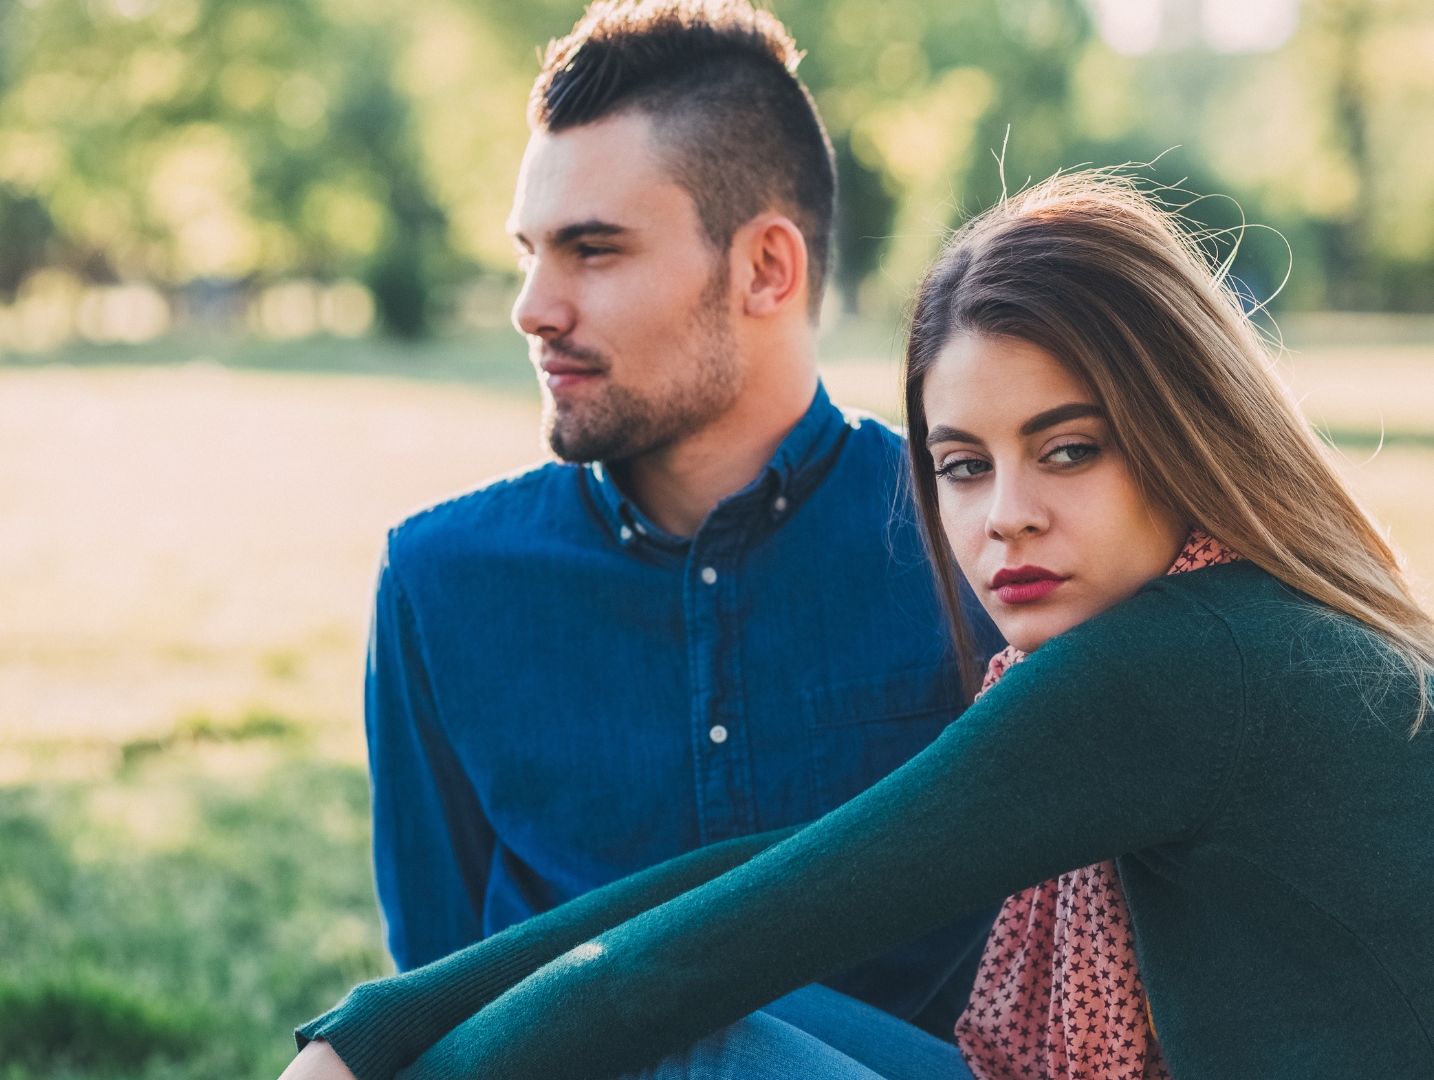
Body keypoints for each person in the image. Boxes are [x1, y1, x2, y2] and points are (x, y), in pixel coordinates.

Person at [282, 176, 1434, 1080]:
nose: (1005, 520)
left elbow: (697, 962)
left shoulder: (1178, 671)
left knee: (677, 1032)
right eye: (963, 464)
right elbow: (783, 871)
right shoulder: (1245, 621)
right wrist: (377, 1027)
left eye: (1070, 451)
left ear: (1183, 436)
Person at [356, 0, 999, 1043]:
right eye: (531, 251)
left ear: (766, 269)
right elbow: (445, 1000)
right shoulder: (439, 583)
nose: (532, 305)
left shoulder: (976, 544)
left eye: (593, 250)